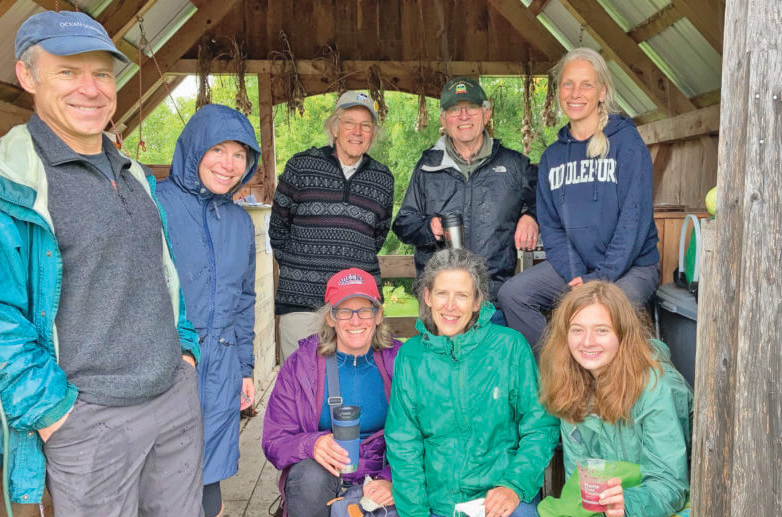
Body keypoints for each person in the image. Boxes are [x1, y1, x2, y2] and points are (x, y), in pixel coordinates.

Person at [0, 11, 203, 517]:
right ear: (27, 76)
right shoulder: (7, 185)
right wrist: (53, 411)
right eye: (68, 72)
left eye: (101, 75)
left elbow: (165, 274)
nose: (90, 88)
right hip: (91, 418)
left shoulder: (132, 175)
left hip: (170, 399)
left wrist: (184, 351)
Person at [385, 249, 559, 517]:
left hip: (497, 493)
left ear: (479, 301)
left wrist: (514, 485)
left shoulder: (510, 347)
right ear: (426, 296)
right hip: (440, 502)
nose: (450, 306)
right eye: (441, 293)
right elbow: (403, 444)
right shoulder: (411, 356)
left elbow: (539, 424)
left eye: (462, 295)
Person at [150, 104, 260, 517]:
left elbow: (243, 299)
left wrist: (245, 366)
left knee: (209, 483)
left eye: (240, 155)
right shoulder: (155, 203)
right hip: (164, 364)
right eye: (218, 150)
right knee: (160, 483)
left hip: (220, 369)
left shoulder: (240, 222)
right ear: (195, 148)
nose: (229, 163)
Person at [538, 281, 693, 517]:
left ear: (623, 334)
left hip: (677, 504)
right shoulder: (570, 383)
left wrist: (629, 507)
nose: (587, 342)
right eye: (577, 330)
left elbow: (672, 483)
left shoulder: (654, 385)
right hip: (611, 510)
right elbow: (582, 481)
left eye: (601, 330)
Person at [498, 48, 660, 353]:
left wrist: (600, 279)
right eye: (567, 84)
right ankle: (558, 370)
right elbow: (552, 225)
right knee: (513, 294)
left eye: (586, 84)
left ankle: (609, 392)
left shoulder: (626, 143)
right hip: (574, 269)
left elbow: (634, 222)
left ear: (602, 91)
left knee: (601, 314)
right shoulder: (553, 157)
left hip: (632, 268)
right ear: (558, 91)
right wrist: (576, 274)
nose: (575, 93)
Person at [262, 268, 402, 517]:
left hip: (378, 486)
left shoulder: (401, 361)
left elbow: (424, 433)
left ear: (379, 314)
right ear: (331, 316)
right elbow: (274, 439)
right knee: (308, 473)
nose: (355, 320)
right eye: (344, 310)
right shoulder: (302, 364)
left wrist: (390, 478)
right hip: (326, 479)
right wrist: (311, 444)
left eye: (365, 310)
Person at [392, 77, 538, 323]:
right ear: (443, 119)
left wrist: (531, 216)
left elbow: (551, 201)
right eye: (454, 110)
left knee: (492, 363)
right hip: (441, 302)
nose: (463, 116)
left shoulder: (514, 165)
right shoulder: (428, 166)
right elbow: (404, 223)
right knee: (441, 362)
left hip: (493, 300)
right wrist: (430, 228)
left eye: (470, 108)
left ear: (486, 113)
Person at [269, 90, 394, 362]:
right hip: (302, 301)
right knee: (301, 384)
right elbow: (277, 229)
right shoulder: (301, 166)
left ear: (373, 133)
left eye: (366, 126)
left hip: (358, 306)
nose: (357, 131)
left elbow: (376, 236)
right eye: (349, 122)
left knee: (354, 385)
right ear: (335, 127)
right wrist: (301, 267)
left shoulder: (383, 178)